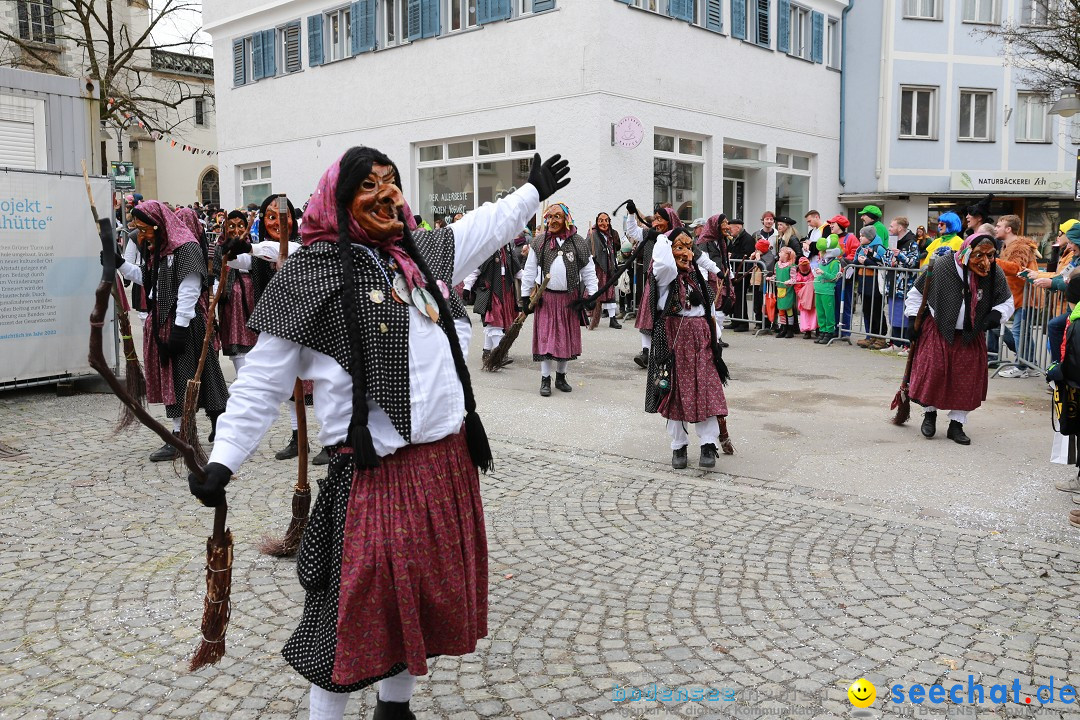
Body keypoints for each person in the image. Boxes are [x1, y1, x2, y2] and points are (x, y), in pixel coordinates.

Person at [188, 147, 569, 720]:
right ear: (338, 202)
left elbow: (482, 229)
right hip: (371, 476)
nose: (388, 193)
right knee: (348, 620)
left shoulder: (417, 254)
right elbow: (262, 383)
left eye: (392, 182)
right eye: (370, 185)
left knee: (411, 601)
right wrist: (224, 460)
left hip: (443, 466)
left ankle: (395, 708)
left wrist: (531, 192)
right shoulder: (308, 277)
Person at [111, 200, 229, 460]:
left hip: (183, 325)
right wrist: (119, 263)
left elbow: (189, 288)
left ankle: (183, 435)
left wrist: (179, 329)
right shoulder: (162, 250)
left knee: (183, 378)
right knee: (175, 379)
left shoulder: (186, 248)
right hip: (164, 323)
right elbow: (147, 278)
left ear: (157, 224)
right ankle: (187, 431)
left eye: (144, 229)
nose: (141, 235)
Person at [904, 233, 1013, 445]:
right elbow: (916, 294)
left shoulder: (993, 272)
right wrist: (912, 319)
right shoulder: (942, 266)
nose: (985, 262)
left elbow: (1006, 301)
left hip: (971, 334)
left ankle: (956, 424)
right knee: (933, 373)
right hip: (937, 329)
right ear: (966, 253)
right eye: (979, 255)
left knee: (966, 379)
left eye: (990, 255)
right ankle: (930, 415)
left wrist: (995, 316)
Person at [646, 228, 729, 469]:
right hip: (674, 340)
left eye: (689, 248)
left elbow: (708, 309)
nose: (686, 254)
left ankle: (708, 445)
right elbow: (664, 262)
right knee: (676, 394)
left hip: (702, 339)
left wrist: (716, 337)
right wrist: (663, 237)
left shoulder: (697, 276)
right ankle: (679, 446)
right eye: (679, 248)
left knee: (707, 390)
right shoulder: (665, 276)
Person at [522, 202, 598, 396]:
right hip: (546, 299)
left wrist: (593, 294)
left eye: (557, 216)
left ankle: (561, 377)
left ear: (566, 219)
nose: (552, 220)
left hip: (569, 300)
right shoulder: (539, 242)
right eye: (550, 217)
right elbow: (530, 269)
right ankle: (545, 379)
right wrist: (525, 296)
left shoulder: (578, 242)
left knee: (564, 340)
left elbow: (588, 270)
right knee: (547, 340)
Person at [624, 204, 681, 367]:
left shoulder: (680, 238)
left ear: (669, 220)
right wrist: (630, 214)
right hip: (652, 282)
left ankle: (669, 353)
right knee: (647, 316)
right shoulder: (651, 234)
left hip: (673, 284)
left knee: (669, 318)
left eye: (660, 219)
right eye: (655, 218)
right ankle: (646, 352)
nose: (656, 222)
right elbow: (633, 232)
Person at [464, 235, 524, 364]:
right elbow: (474, 270)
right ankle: (499, 354)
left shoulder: (507, 249)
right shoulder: (485, 250)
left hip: (506, 291)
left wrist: (532, 282)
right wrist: (467, 286)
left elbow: (517, 271)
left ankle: (487, 352)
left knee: (497, 323)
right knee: (495, 321)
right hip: (491, 290)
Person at [994, 214, 1039, 377]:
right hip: (1016, 295)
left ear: (1008, 229)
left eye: (999, 226)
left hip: (1025, 295)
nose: (996, 228)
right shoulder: (1007, 246)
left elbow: (1016, 268)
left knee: (1020, 331)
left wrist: (993, 260)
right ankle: (1031, 365)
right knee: (1022, 331)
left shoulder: (1019, 247)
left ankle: (1021, 367)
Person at [215, 210, 260, 374]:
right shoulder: (220, 246)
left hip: (252, 299)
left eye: (240, 225)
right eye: (231, 226)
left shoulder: (254, 247)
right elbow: (215, 273)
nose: (236, 230)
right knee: (237, 342)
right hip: (231, 301)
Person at [696, 214, 733, 348]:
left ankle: (718, 334)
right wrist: (703, 282)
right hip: (711, 278)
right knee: (714, 306)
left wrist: (731, 276)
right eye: (724, 223)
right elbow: (702, 263)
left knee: (724, 305)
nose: (727, 227)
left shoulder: (722, 240)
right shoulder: (703, 242)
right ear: (715, 225)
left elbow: (725, 260)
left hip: (722, 275)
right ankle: (714, 336)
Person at [854, 225, 889, 349]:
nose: (860, 237)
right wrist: (855, 262)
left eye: (862, 235)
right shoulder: (860, 248)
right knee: (867, 310)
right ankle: (871, 336)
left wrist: (867, 261)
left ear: (869, 237)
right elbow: (855, 262)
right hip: (863, 282)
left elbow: (884, 263)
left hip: (875, 283)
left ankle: (881, 337)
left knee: (877, 311)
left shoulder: (879, 248)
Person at [588, 212, 623, 328]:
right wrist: (591, 257)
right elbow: (586, 248)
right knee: (595, 292)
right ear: (597, 222)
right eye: (601, 220)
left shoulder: (610, 235)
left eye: (606, 220)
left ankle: (612, 319)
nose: (604, 223)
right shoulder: (592, 234)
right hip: (597, 268)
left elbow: (614, 249)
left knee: (611, 293)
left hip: (609, 268)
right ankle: (589, 317)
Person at [727, 218, 755, 332]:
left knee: (740, 298)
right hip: (736, 272)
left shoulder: (747, 239)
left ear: (737, 228)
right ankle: (735, 320)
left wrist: (732, 255)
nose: (729, 231)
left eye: (730, 228)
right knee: (735, 297)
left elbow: (747, 255)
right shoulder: (735, 238)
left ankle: (743, 323)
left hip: (743, 272)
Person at [813, 236, 842, 344]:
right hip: (819, 289)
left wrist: (823, 273)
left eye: (822, 251)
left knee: (828, 312)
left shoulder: (835, 262)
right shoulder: (822, 261)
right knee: (820, 313)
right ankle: (822, 331)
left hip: (827, 290)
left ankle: (829, 332)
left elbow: (834, 277)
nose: (820, 253)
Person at [750, 238, 777, 333]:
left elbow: (765, 268)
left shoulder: (769, 256)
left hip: (764, 284)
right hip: (756, 282)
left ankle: (766, 324)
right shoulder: (761, 255)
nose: (756, 251)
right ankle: (759, 323)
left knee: (764, 304)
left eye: (758, 249)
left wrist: (758, 259)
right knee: (757, 304)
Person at [773, 247, 798, 338]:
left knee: (788, 309)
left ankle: (790, 329)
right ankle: (783, 328)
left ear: (787, 255)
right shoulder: (777, 265)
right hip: (780, 290)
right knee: (781, 309)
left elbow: (794, 279)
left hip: (788, 291)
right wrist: (771, 278)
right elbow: (775, 276)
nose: (779, 254)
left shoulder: (791, 266)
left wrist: (790, 281)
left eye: (781, 252)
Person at [792, 257, 817, 338]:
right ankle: (807, 331)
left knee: (815, 314)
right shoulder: (798, 276)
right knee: (805, 315)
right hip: (803, 299)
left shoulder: (813, 273)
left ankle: (817, 329)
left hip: (813, 298)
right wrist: (804, 293)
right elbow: (797, 288)